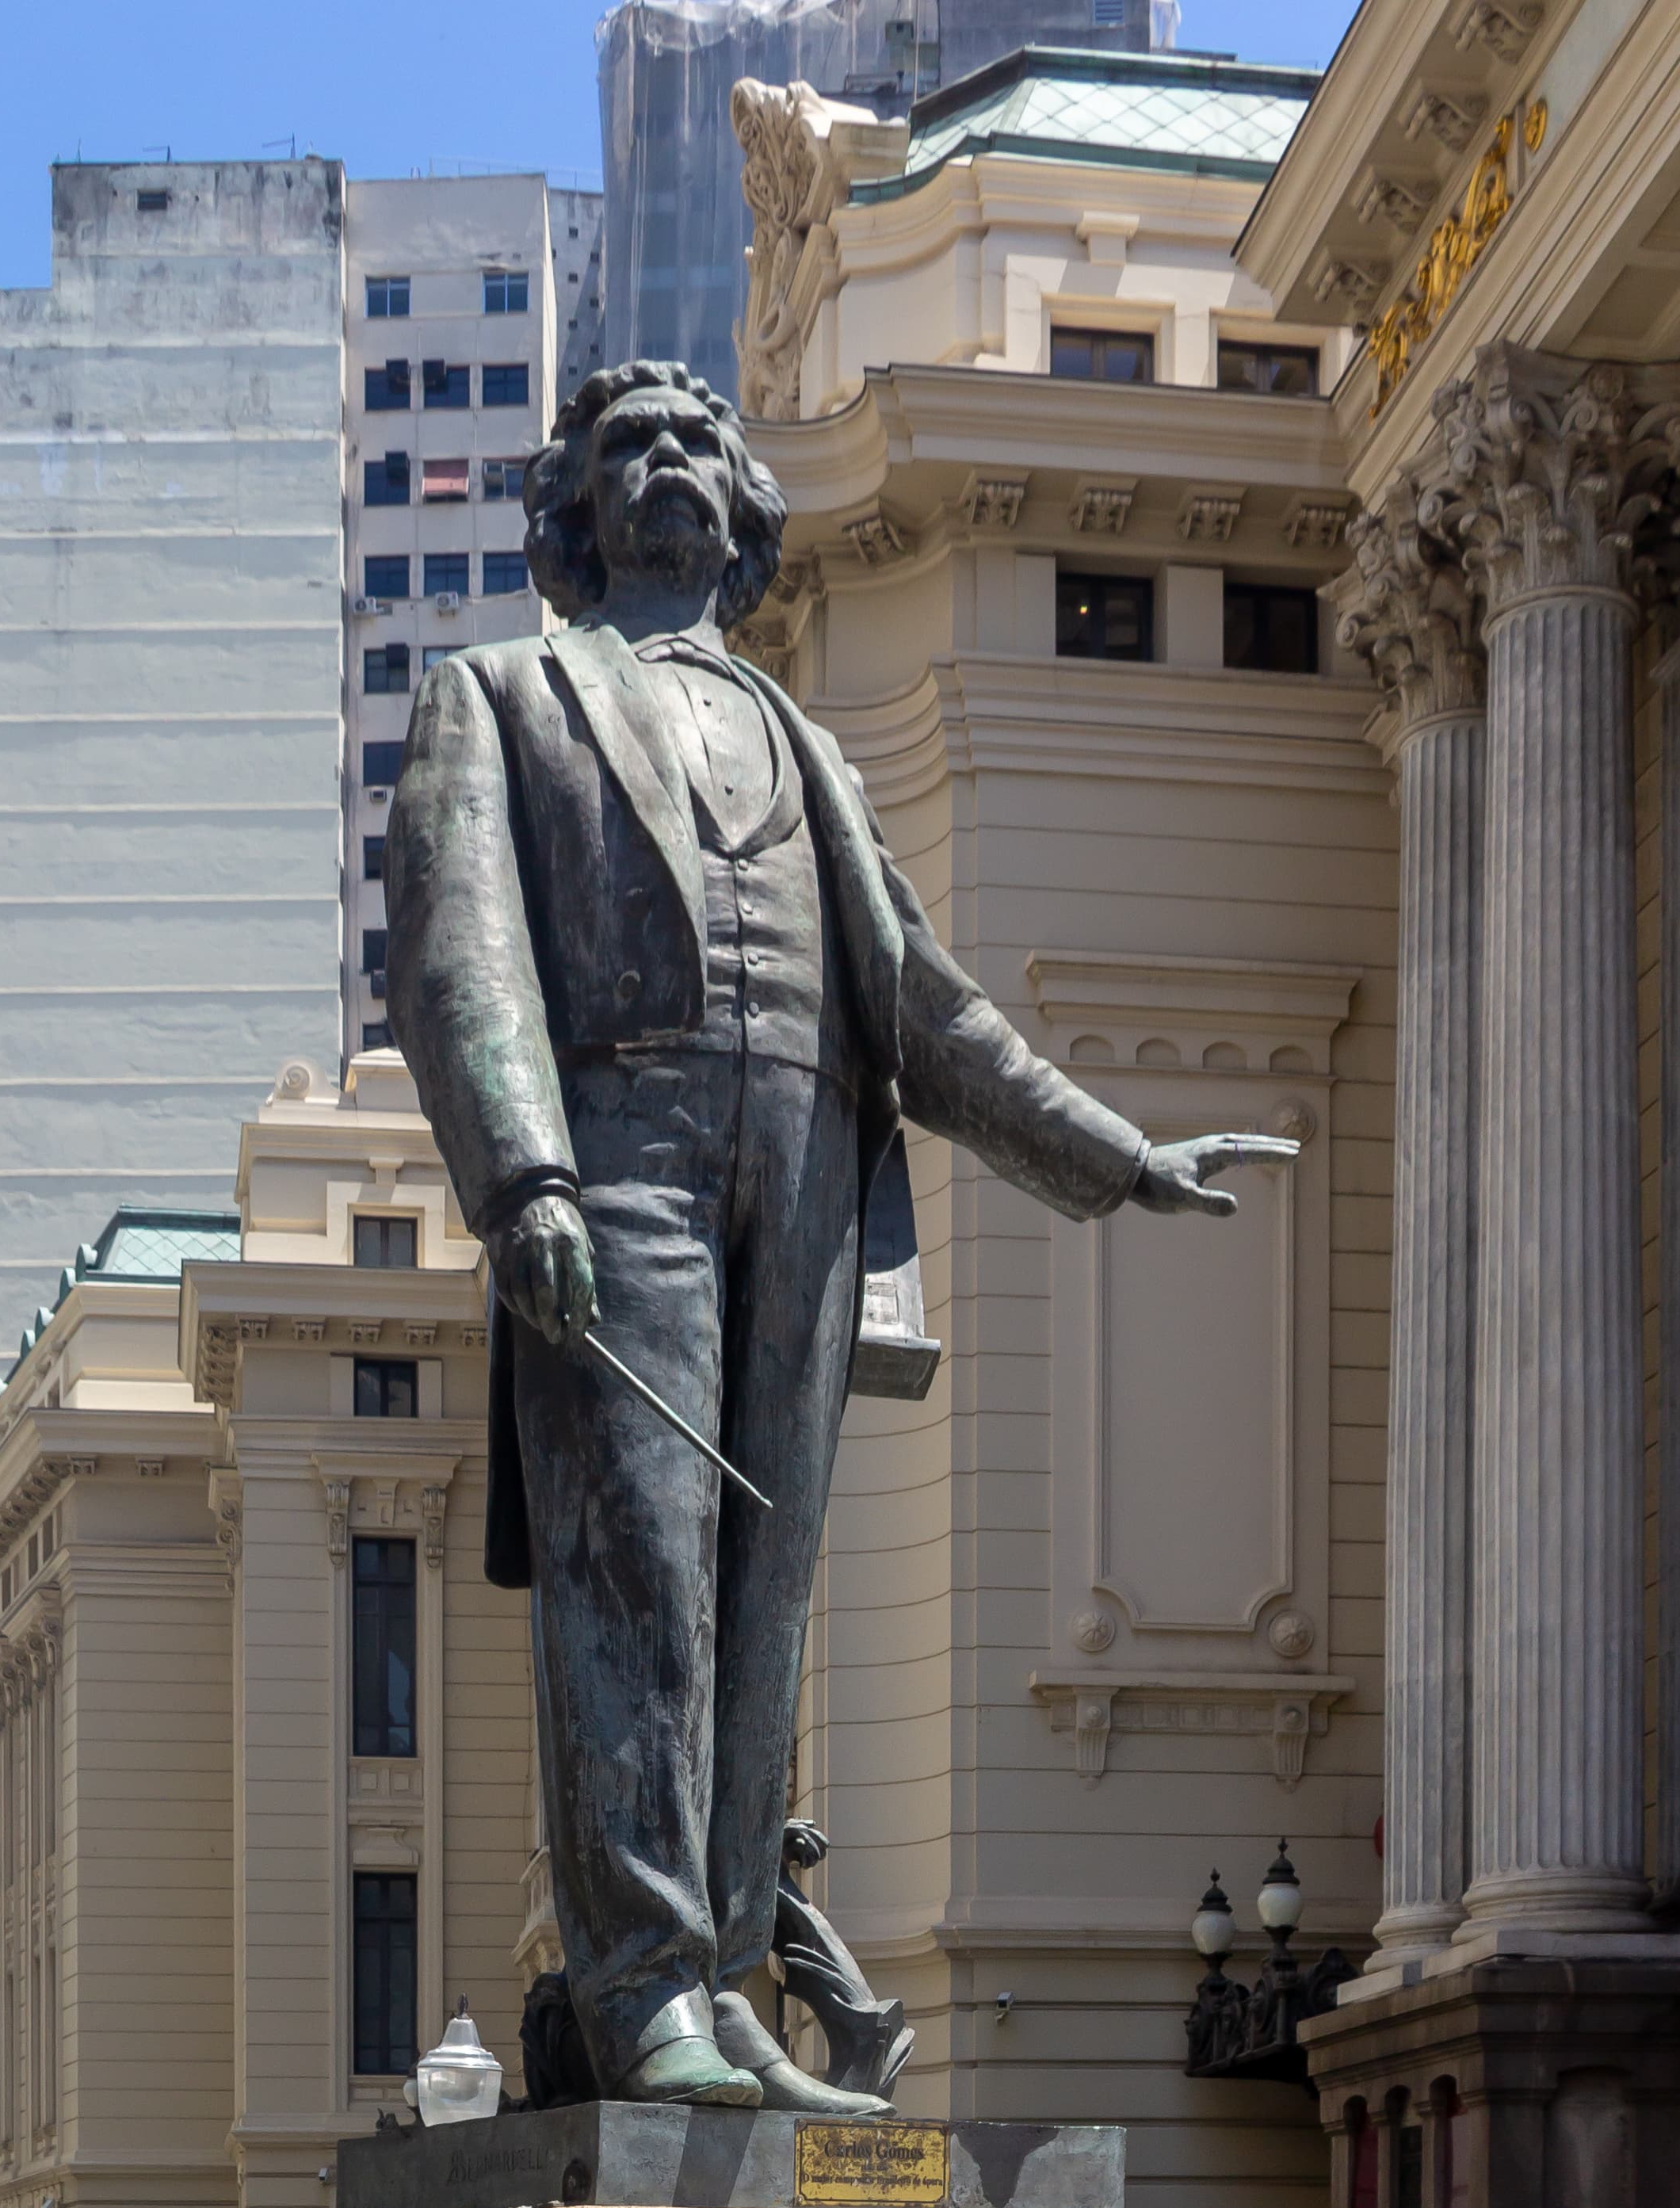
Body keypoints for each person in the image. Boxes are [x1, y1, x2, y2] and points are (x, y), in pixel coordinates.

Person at [384, 355, 1293, 2112]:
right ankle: (639, 1983)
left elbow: (931, 1016)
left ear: (740, 507)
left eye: (693, 444)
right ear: (577, 508)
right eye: (626, 446)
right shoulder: (495, 694)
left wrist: (1118, 1156)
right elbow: (456, 952)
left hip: (798, 1177)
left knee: (760, 1603)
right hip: (618, 1153)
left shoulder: (815, 749)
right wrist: (527, 1181)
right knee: (636, 1575)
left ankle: (727, 1981)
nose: (664, 466)